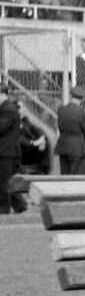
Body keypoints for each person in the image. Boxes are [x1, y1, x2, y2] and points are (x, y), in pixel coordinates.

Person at [54, 87, 85, 175]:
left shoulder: (61, 110)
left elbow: (60, 127)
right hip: (77, 148)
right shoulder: (82, 112)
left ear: (71, 96)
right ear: (82, 98)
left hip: (63, 145)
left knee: (65, 176)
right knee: (77, 177)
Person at [0, 84, 21, 213]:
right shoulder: (6, 108)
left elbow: (1, 127)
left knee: (4, 181)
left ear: (3, 95)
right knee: (5, 180)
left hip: (6, 150)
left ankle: (4, 208)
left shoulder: (8, 109)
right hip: (5, 150)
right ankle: (19, 205)